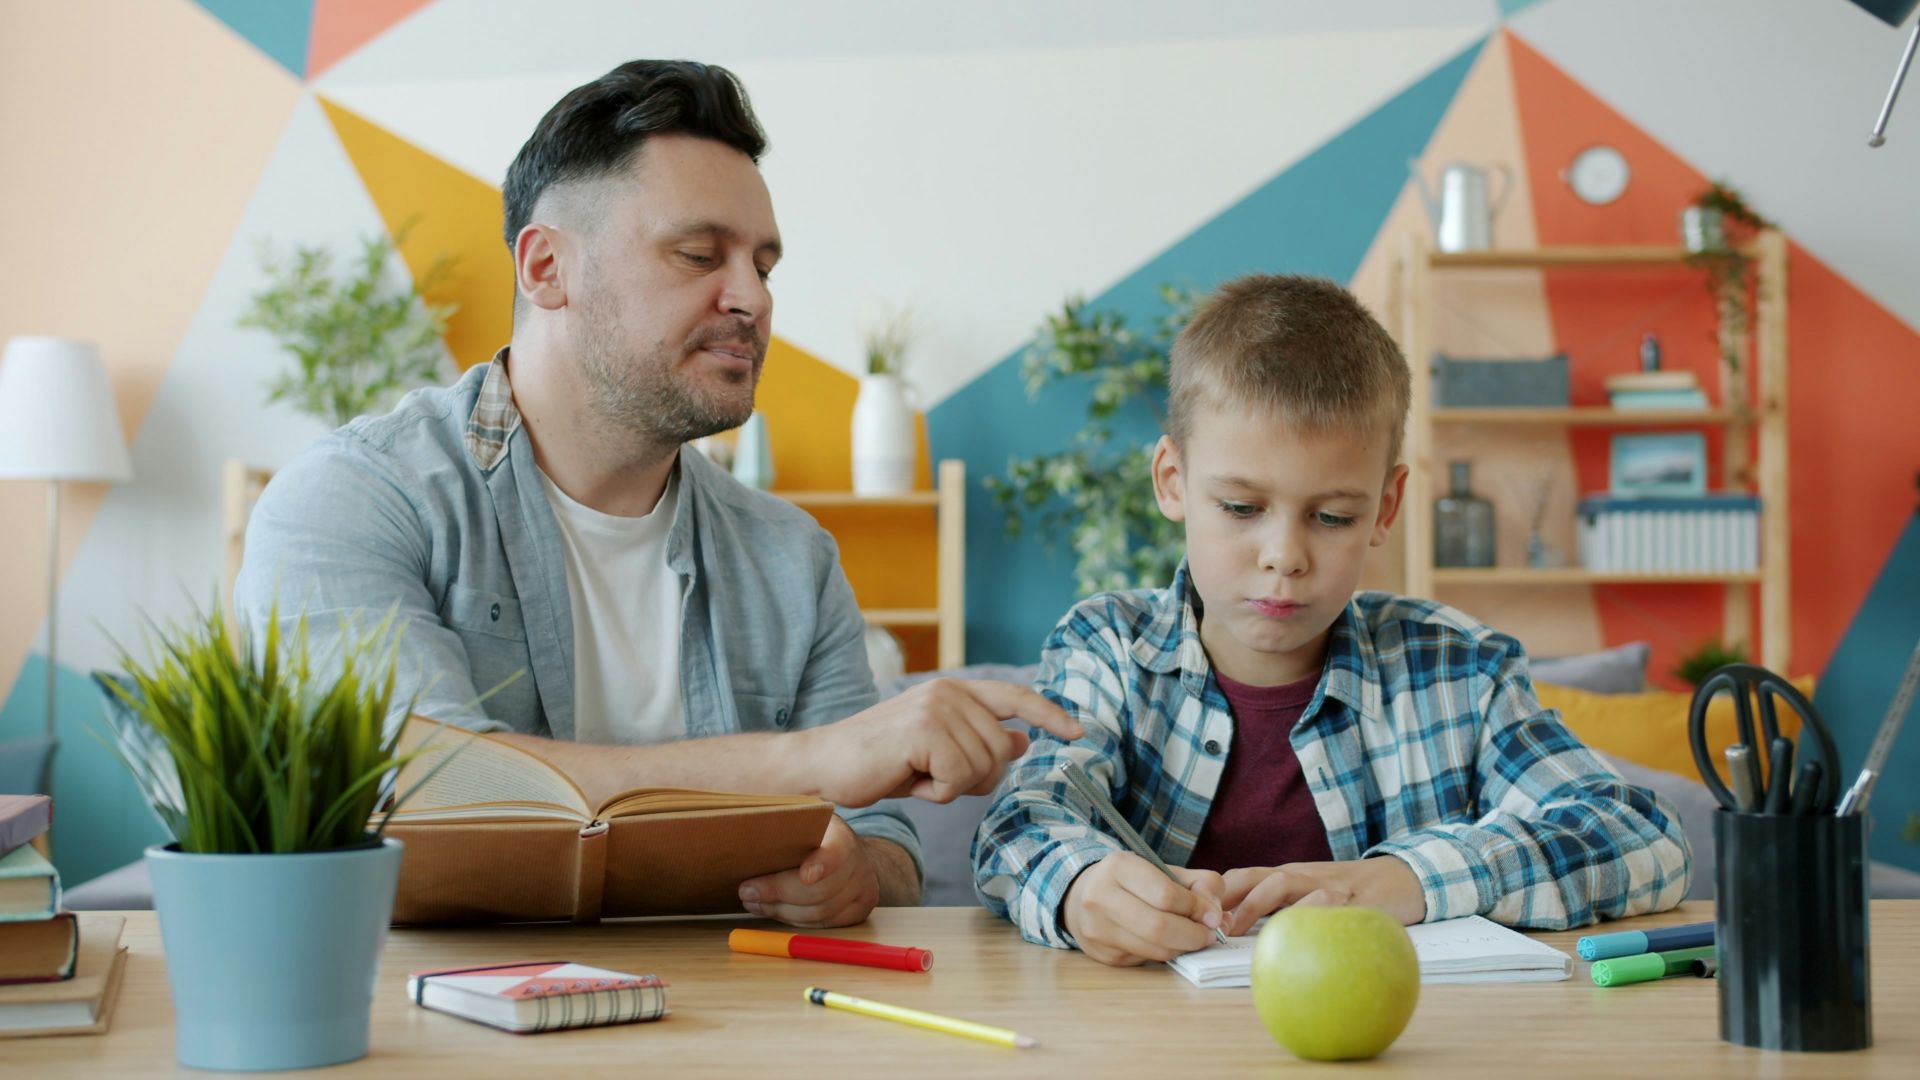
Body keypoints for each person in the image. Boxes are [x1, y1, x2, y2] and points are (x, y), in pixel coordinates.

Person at [237, 60, 1079, 930]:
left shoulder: (793, 557)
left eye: (763, 264)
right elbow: (414, 800)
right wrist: (810, 762)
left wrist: (857, 874)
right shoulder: (349, 500)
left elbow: (886, 847)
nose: (752, 297)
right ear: (547, 267)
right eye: (699, 255)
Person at [970, 274, 1690, 966]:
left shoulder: (1459, 666)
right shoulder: (1105, 649)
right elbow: (1020, 824)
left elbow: (1640, 836)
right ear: (1173, 483)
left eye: (1332, 516)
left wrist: (1403, 881)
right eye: (1241, 508)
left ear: (1384, 508)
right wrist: (1080, 887)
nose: (1285, 557)